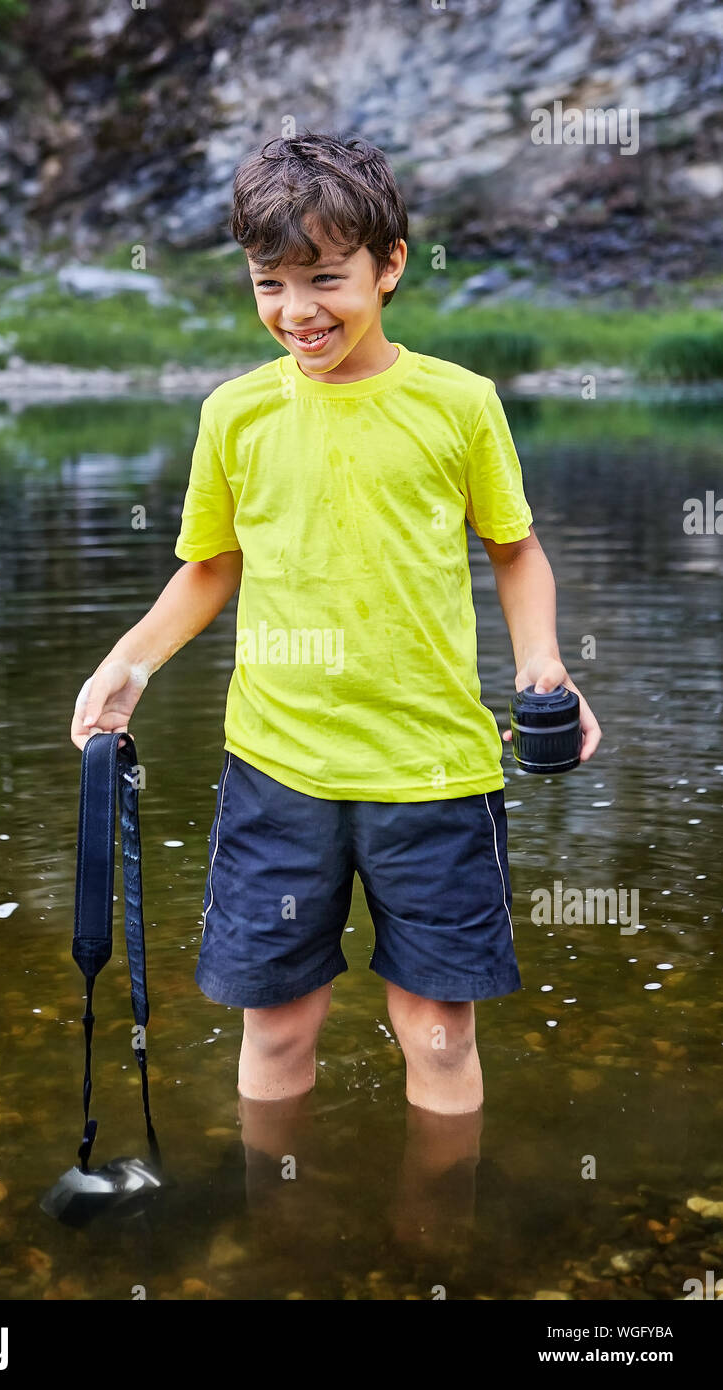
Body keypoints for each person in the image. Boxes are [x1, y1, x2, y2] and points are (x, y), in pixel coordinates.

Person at [71, 131, 601, 1125]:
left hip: (434, 772)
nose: (296, 312)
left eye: (324, 277)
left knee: (440, 1035)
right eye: (269, 283)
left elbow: (513, 548)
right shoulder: (235, 415)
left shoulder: (459, 403)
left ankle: (432, 1244)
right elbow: (210, 566)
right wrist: (127, 666)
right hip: (278, 773)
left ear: (389, 264)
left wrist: (542, 666)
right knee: (273, 1029)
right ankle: (284, 1245)